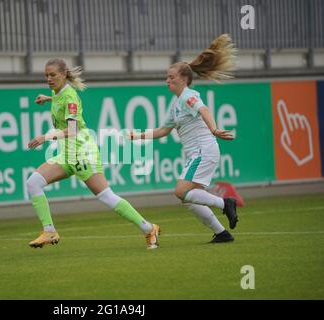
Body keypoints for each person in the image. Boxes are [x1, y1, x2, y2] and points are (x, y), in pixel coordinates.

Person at [26, 58, 160, 249]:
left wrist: (45, 137)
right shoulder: (57, 93)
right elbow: (60, 100)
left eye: (53, 75)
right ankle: (49, 231)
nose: (48, 78)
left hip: (82, 152)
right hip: (67, 153)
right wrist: (48, 98)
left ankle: (148, 228)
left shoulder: (70, 97)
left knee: (106, 196)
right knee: (33, 182)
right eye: (46, 75)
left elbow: (72, 130)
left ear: (63, 75)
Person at [129, 34, 239, 243]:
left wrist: (214, 129)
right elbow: (163, 130)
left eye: (171, 77)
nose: (167, 80)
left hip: (202, 151)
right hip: (198, 154)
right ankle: (222, 233)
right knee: (189, 199)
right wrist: (138, 136)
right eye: (167, 77)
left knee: (180, 191)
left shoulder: (188, 96)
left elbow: (204, 109)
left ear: (184, 79)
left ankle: (226, 203)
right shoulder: (176, 104)